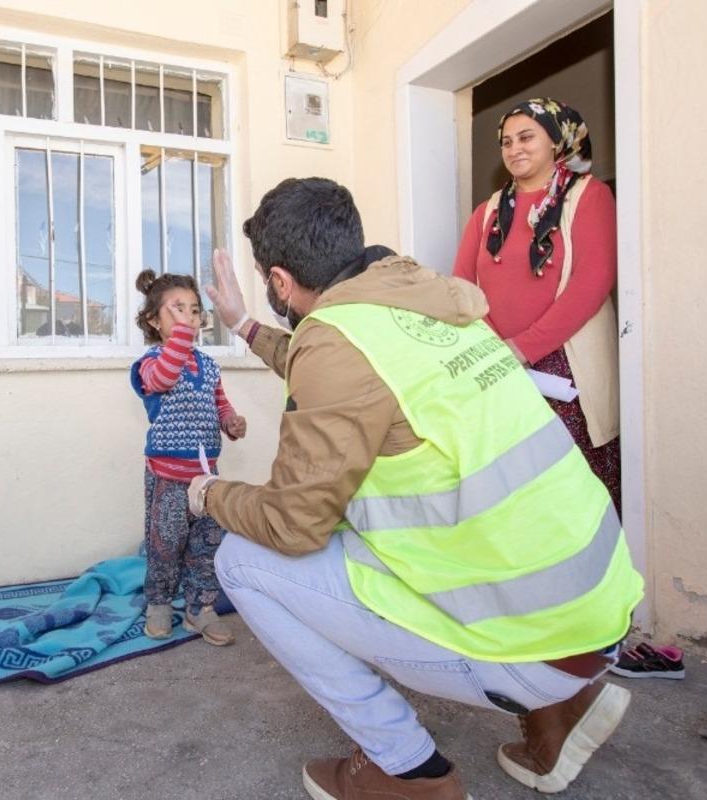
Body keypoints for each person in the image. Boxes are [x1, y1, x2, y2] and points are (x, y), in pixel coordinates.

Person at [191, 177, 643, 799]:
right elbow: (335, 368)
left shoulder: (339, 341)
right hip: (596, 617)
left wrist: (210, 493)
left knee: (241, 559)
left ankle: (407, 772)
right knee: (364, 516)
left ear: (279, 282)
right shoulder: (421, 305)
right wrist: (243, 326)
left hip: (533, 646)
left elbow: (295, 525)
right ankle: (563, 711)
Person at [453, 98, 621, 513]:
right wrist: (495, 346)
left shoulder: (589, 196)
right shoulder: (487, 212)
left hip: (565, 370)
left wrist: (523, 348)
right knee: (513, 496)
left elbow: (593, 282)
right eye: (506, 142)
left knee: (572, 496)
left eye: (526, 137)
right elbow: (461, 287)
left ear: (556, 139)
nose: (514, 149)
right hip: (497, 364)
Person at [131, 269, 246, 646]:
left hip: (205, 477)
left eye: (194, 311)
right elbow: (163, 379)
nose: (188, 318)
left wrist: (230, 420)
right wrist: (181, 336)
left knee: (207, 544)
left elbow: (219, 402)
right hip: (168, 477)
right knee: (165, 543)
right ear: (153, 321)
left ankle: (200, 607)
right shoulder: (150, 362)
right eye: (176, 310)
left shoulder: (209, 366)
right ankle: (160, 602)